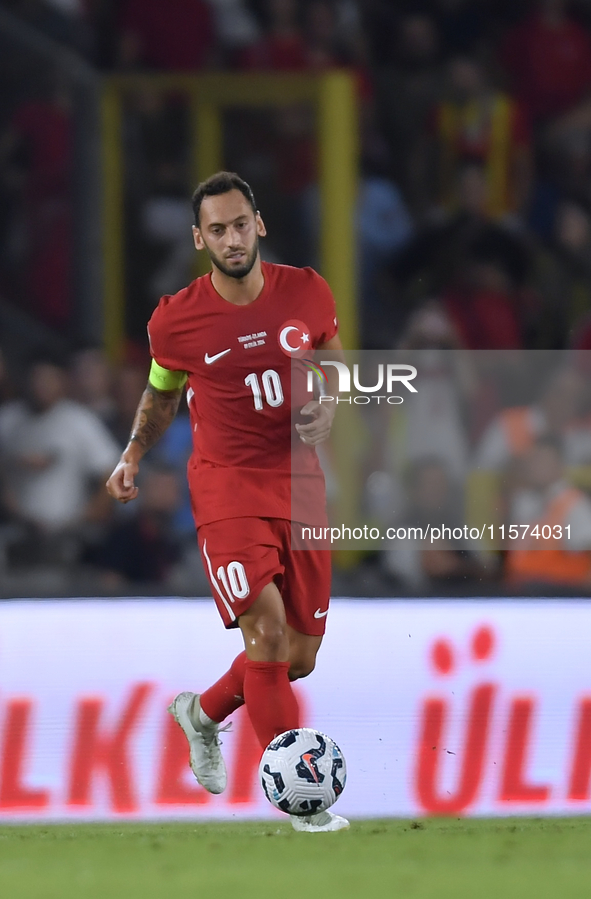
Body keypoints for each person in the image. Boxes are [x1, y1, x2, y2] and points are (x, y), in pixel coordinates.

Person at [106, 171, 347, 833]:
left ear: (258, 224)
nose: (231, 238)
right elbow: (160, 395)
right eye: (217, 229)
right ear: (198, 238)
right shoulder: (176, 319)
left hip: (299, 486)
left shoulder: (307, 290)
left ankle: (202, 711)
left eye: (240, 224)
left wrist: (326, 397)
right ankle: (305, 803)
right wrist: (132, 453)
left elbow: (332, 358)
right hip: (227, 487)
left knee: (296, 656)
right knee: (264, 632)